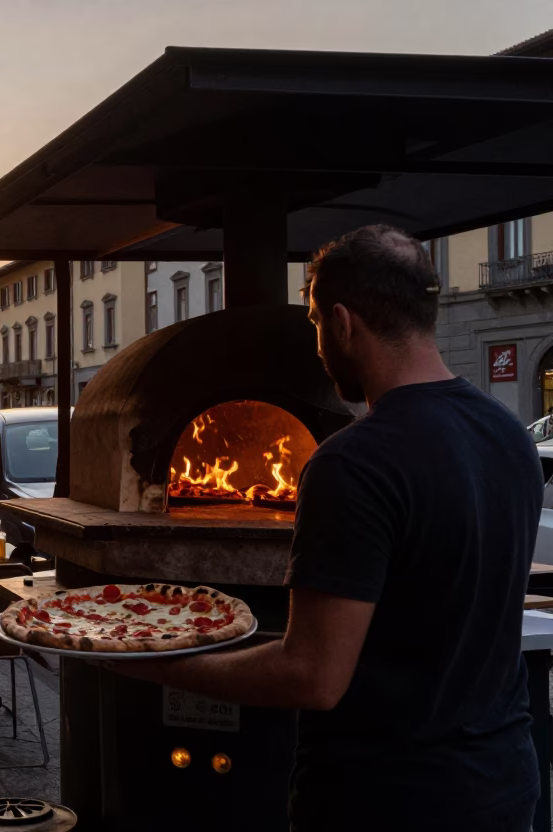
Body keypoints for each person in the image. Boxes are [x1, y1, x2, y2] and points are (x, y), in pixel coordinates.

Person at [105, 225, 540, 831]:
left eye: (312, 322)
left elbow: (312, 674)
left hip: (384, 802)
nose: (315, 343)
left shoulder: (353, 463)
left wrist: (158, 663)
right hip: (502, 784)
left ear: (341, 322)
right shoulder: (509, 436)